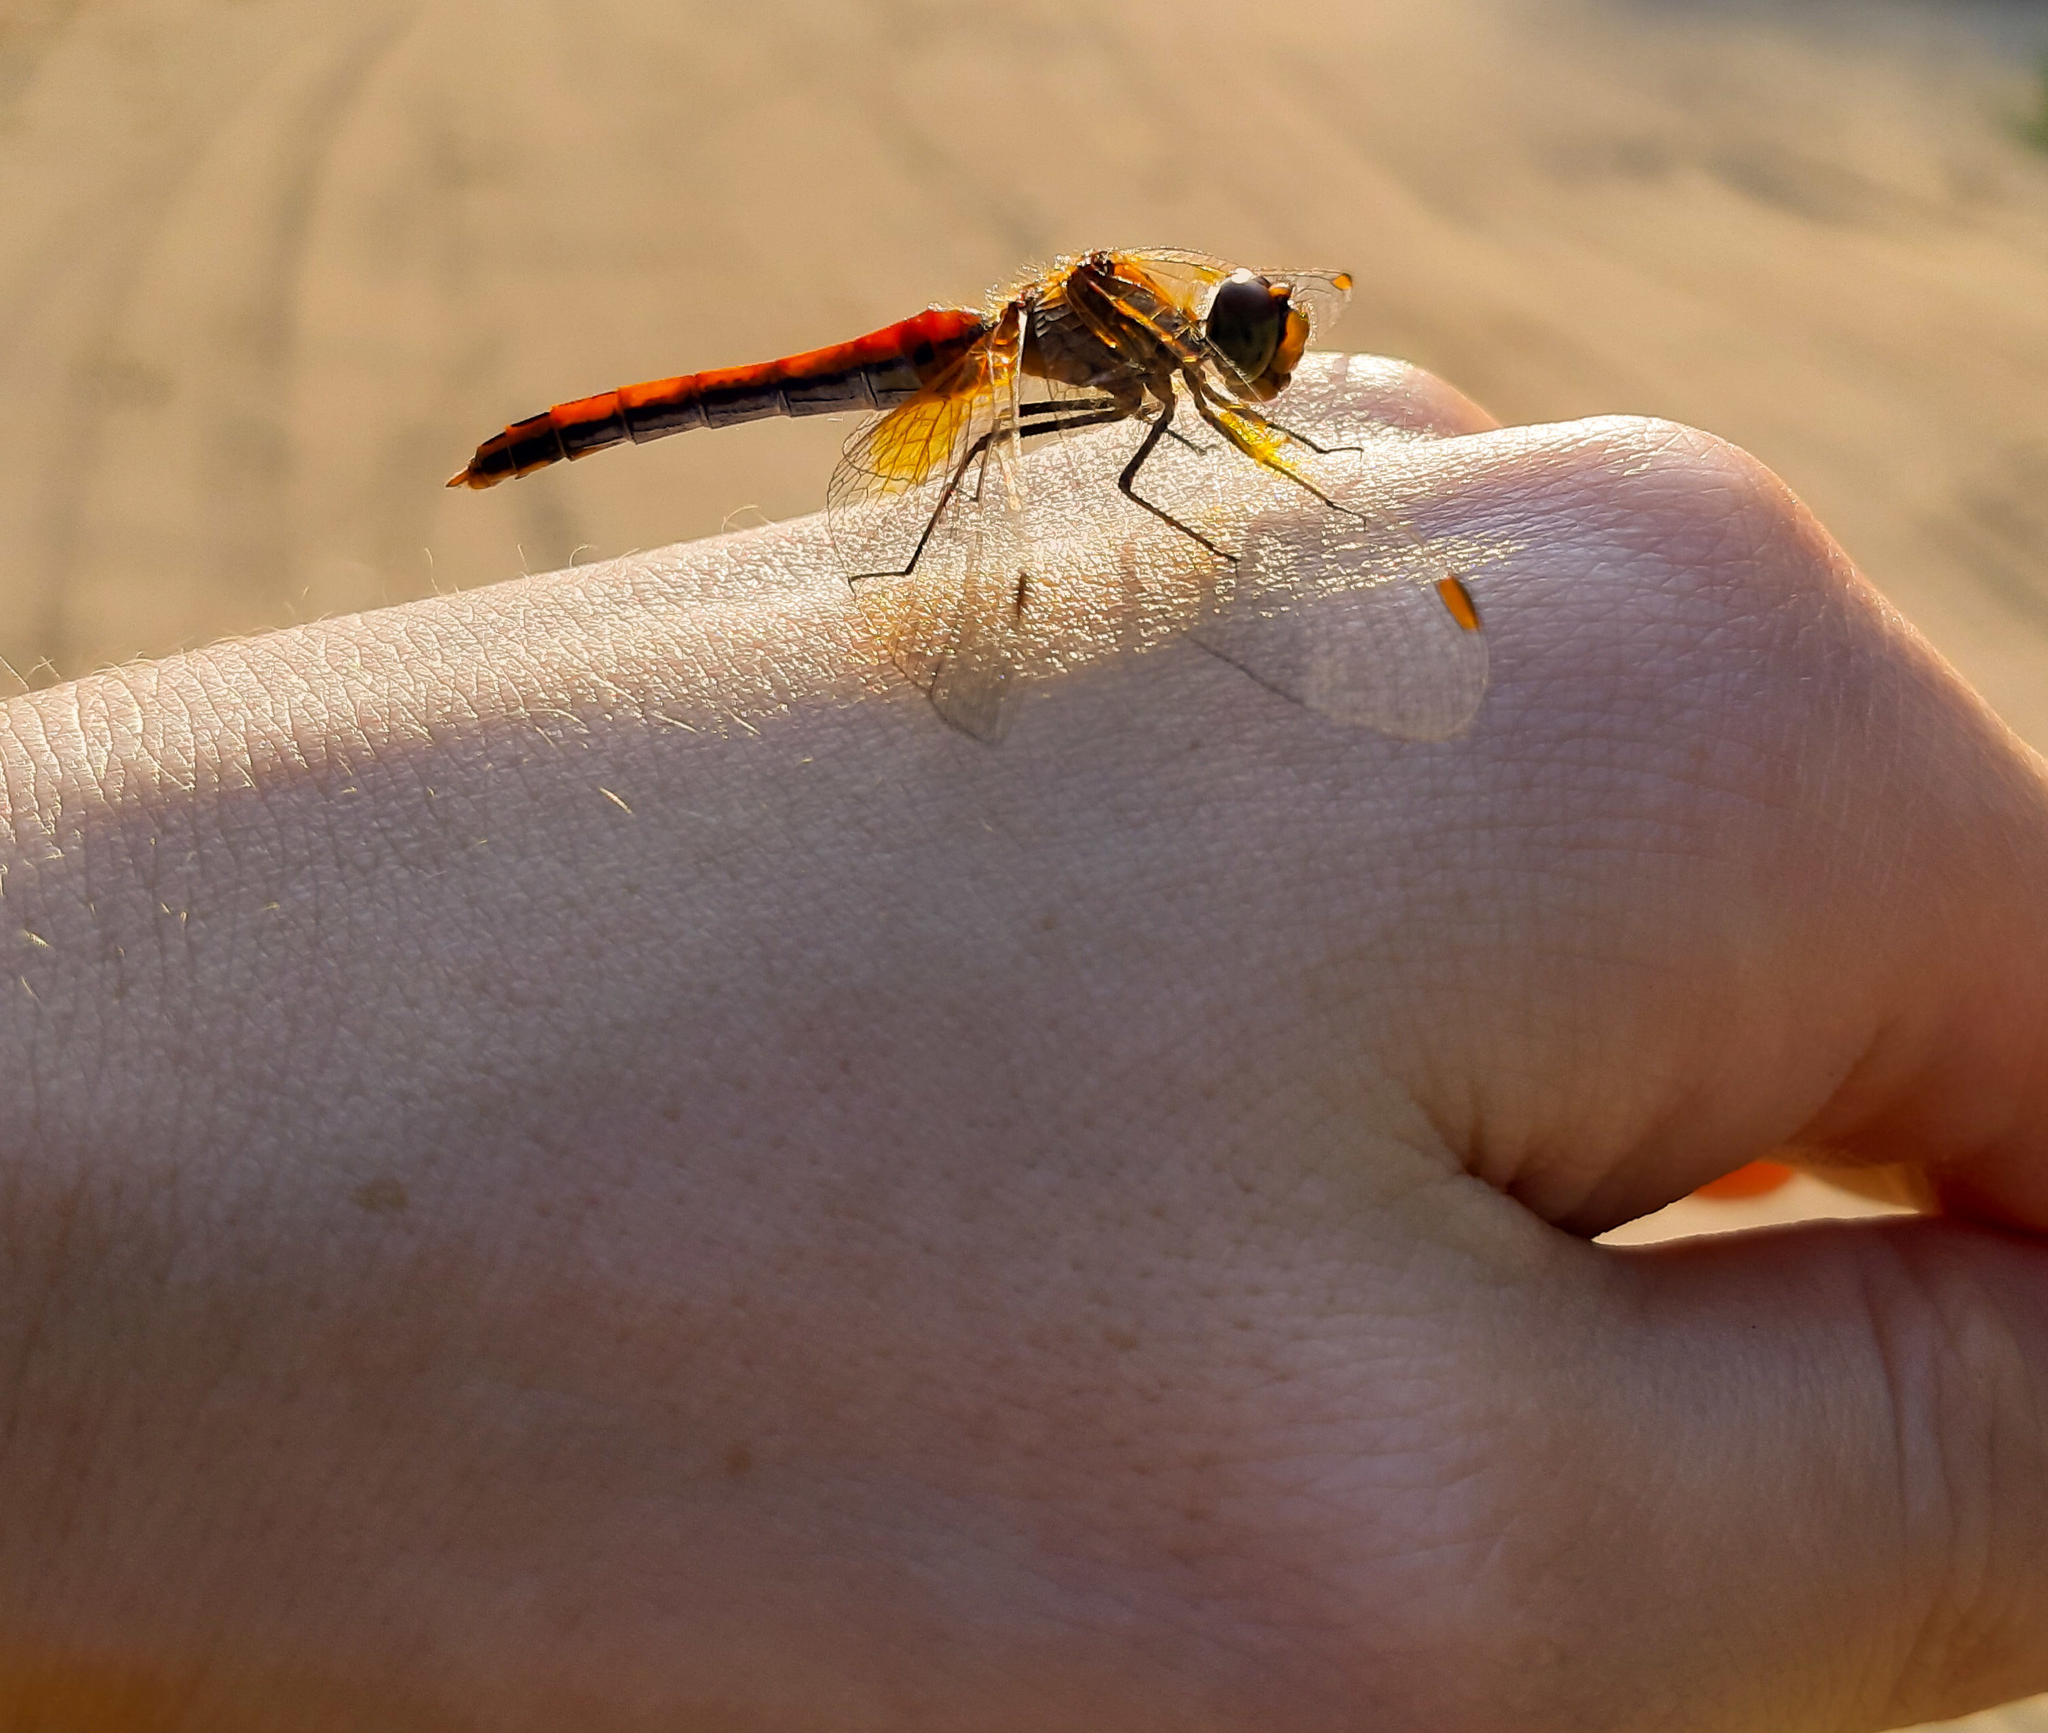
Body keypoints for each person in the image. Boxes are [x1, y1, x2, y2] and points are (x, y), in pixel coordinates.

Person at [0, 356, 2043, 1733]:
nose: (1245, 349)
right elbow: (1143, 512)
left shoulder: (1164, 380)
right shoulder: (1095, 381)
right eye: (1230, 331)